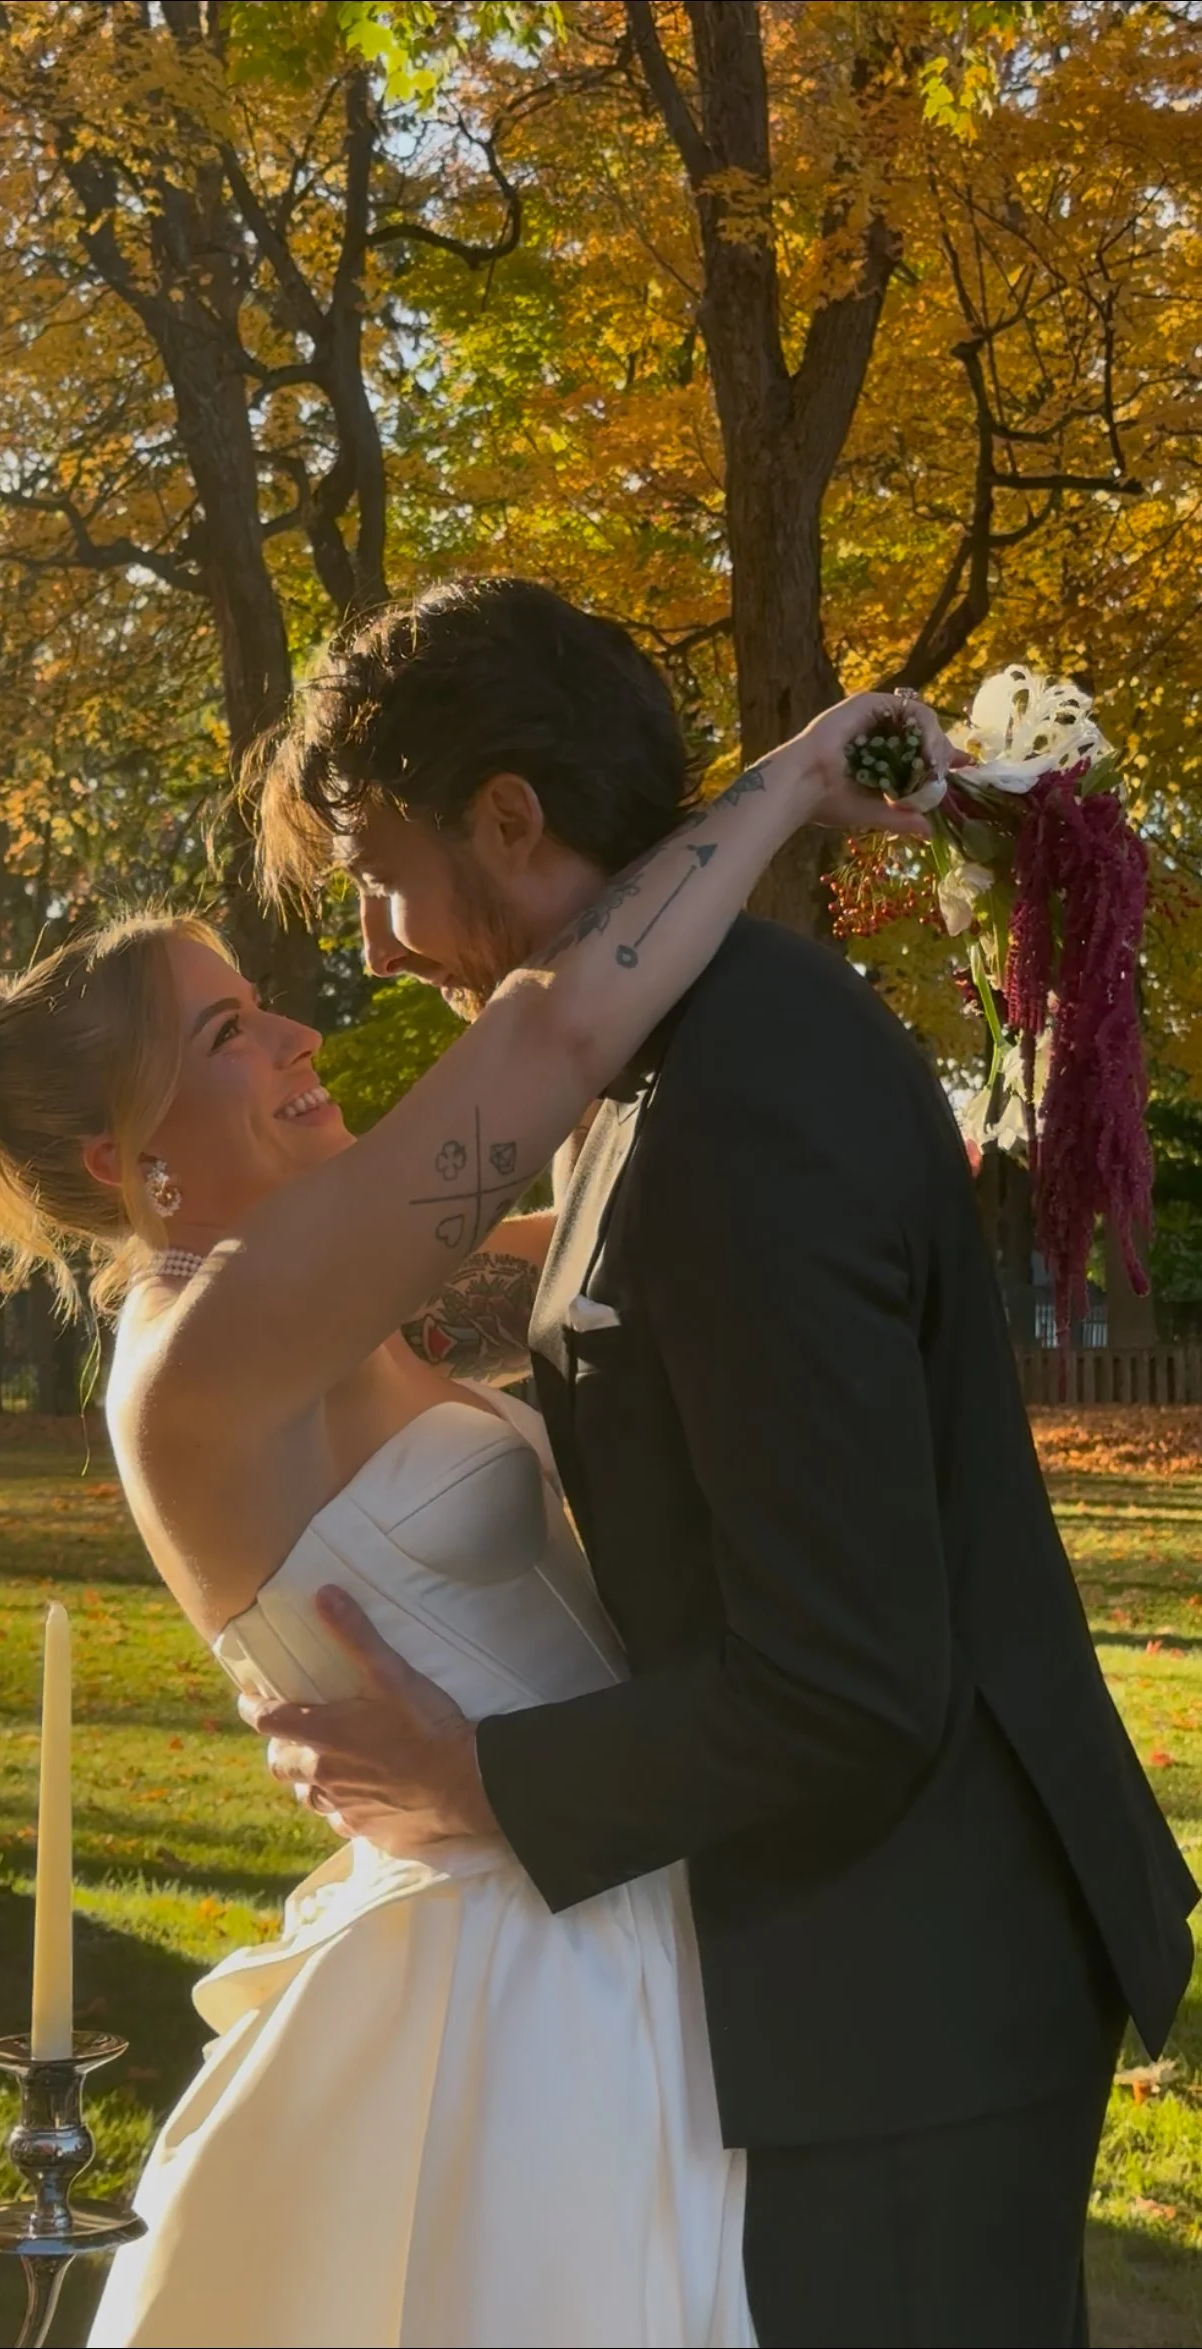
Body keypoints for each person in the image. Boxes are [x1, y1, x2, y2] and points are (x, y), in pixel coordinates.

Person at [0, 674, 930, 2349]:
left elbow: (624, 1223)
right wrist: (798, 778)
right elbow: (549, 1035)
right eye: (231, 1035)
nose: (299, 1035)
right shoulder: (208, 1344)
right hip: (526, 1961)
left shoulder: (308, 1301)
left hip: (595, 1882)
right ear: (121, 1156)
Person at [247, 577, 1197, 2349]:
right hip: (872, 1960)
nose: (372, 939)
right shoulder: (683, 1046)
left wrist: (478, 1781)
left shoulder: (738, 1098)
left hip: (916, 1995)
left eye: (378, 864)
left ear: (511, 820)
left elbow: (848, 1682)